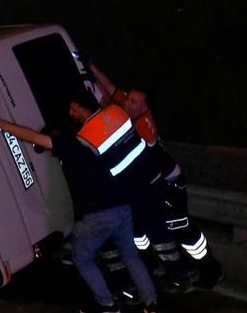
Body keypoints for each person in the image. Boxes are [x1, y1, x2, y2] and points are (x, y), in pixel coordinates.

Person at [0, 90, 161, 313]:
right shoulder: (98, 138)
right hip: (122, 207)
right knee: (131, 255)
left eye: (73, 107)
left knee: (81, 258)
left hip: (98, 215)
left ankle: (107, 305)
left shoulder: (71, 144)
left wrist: (0, 123)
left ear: (82, 109)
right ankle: (152, 305)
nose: (70, 112)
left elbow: (33, 138)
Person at [89, 63, 222, 289]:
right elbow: (110, 88)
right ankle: (160, 267)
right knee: (143, 230)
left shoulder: (143, 129)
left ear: (144, 108)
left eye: (132, 102)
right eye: (128, 99)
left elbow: (140, 160)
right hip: (151, 186)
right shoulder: (131, 112)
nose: (125, 103)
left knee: (180, 229)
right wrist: (89, 66)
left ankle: (209, 269)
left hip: (169, 185)